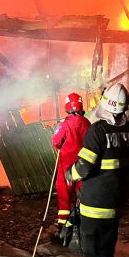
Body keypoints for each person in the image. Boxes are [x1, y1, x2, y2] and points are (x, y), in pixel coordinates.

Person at [68, 83, 129, 257]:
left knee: (95, 256)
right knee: (105, 254)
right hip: (115, 204)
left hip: (95, 205)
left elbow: (84, 166)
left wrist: (70, 174)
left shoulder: (98, 130)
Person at [51, 92, 91, 244]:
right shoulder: (87, 123)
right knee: (83, 195)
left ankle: (63, 227)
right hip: (83, 166)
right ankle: (82, 224)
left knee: (64, 195)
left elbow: (56, 142)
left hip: (66, 167)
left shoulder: (64, 124)